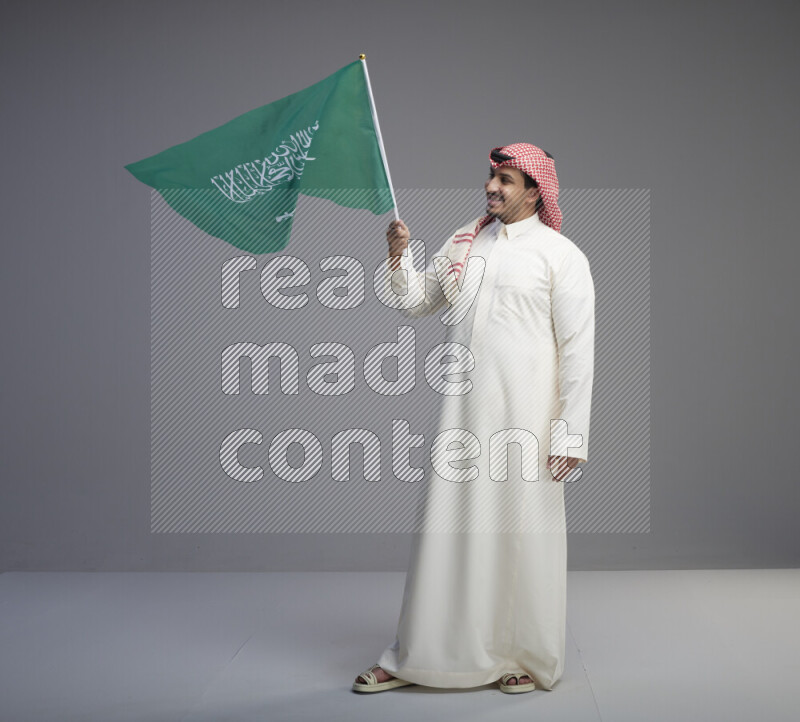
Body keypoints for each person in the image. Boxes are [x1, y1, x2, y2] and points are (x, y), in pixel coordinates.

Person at [353, 143, 595, 695]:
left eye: (507, 180)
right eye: (491, 177)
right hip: (461, 417)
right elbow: (416, 301)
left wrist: (571, 434)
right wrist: (398, 256)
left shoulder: (560, 255)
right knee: (446, 531)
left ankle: (517, 654)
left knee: (518, 534)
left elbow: (579, 350)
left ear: (535, 191)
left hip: (527, 420)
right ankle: (417, 654)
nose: (492, 187)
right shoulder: (467, 241)